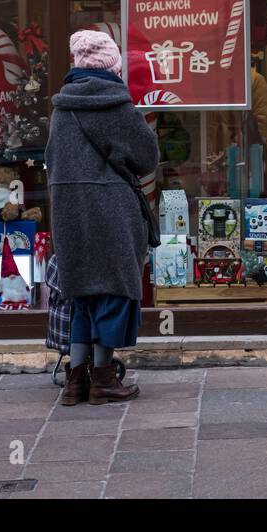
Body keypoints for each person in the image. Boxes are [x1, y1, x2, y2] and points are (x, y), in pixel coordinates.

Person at [47, 30, 161, 404]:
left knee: (82, 294)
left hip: (70, 212)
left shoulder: (61, 109)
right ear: (113, 66)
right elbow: (146, 159)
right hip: (112, 211)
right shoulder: (118, 106)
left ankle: (75, 381)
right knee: (113, 292)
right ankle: (104, 379)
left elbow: (53, 162)